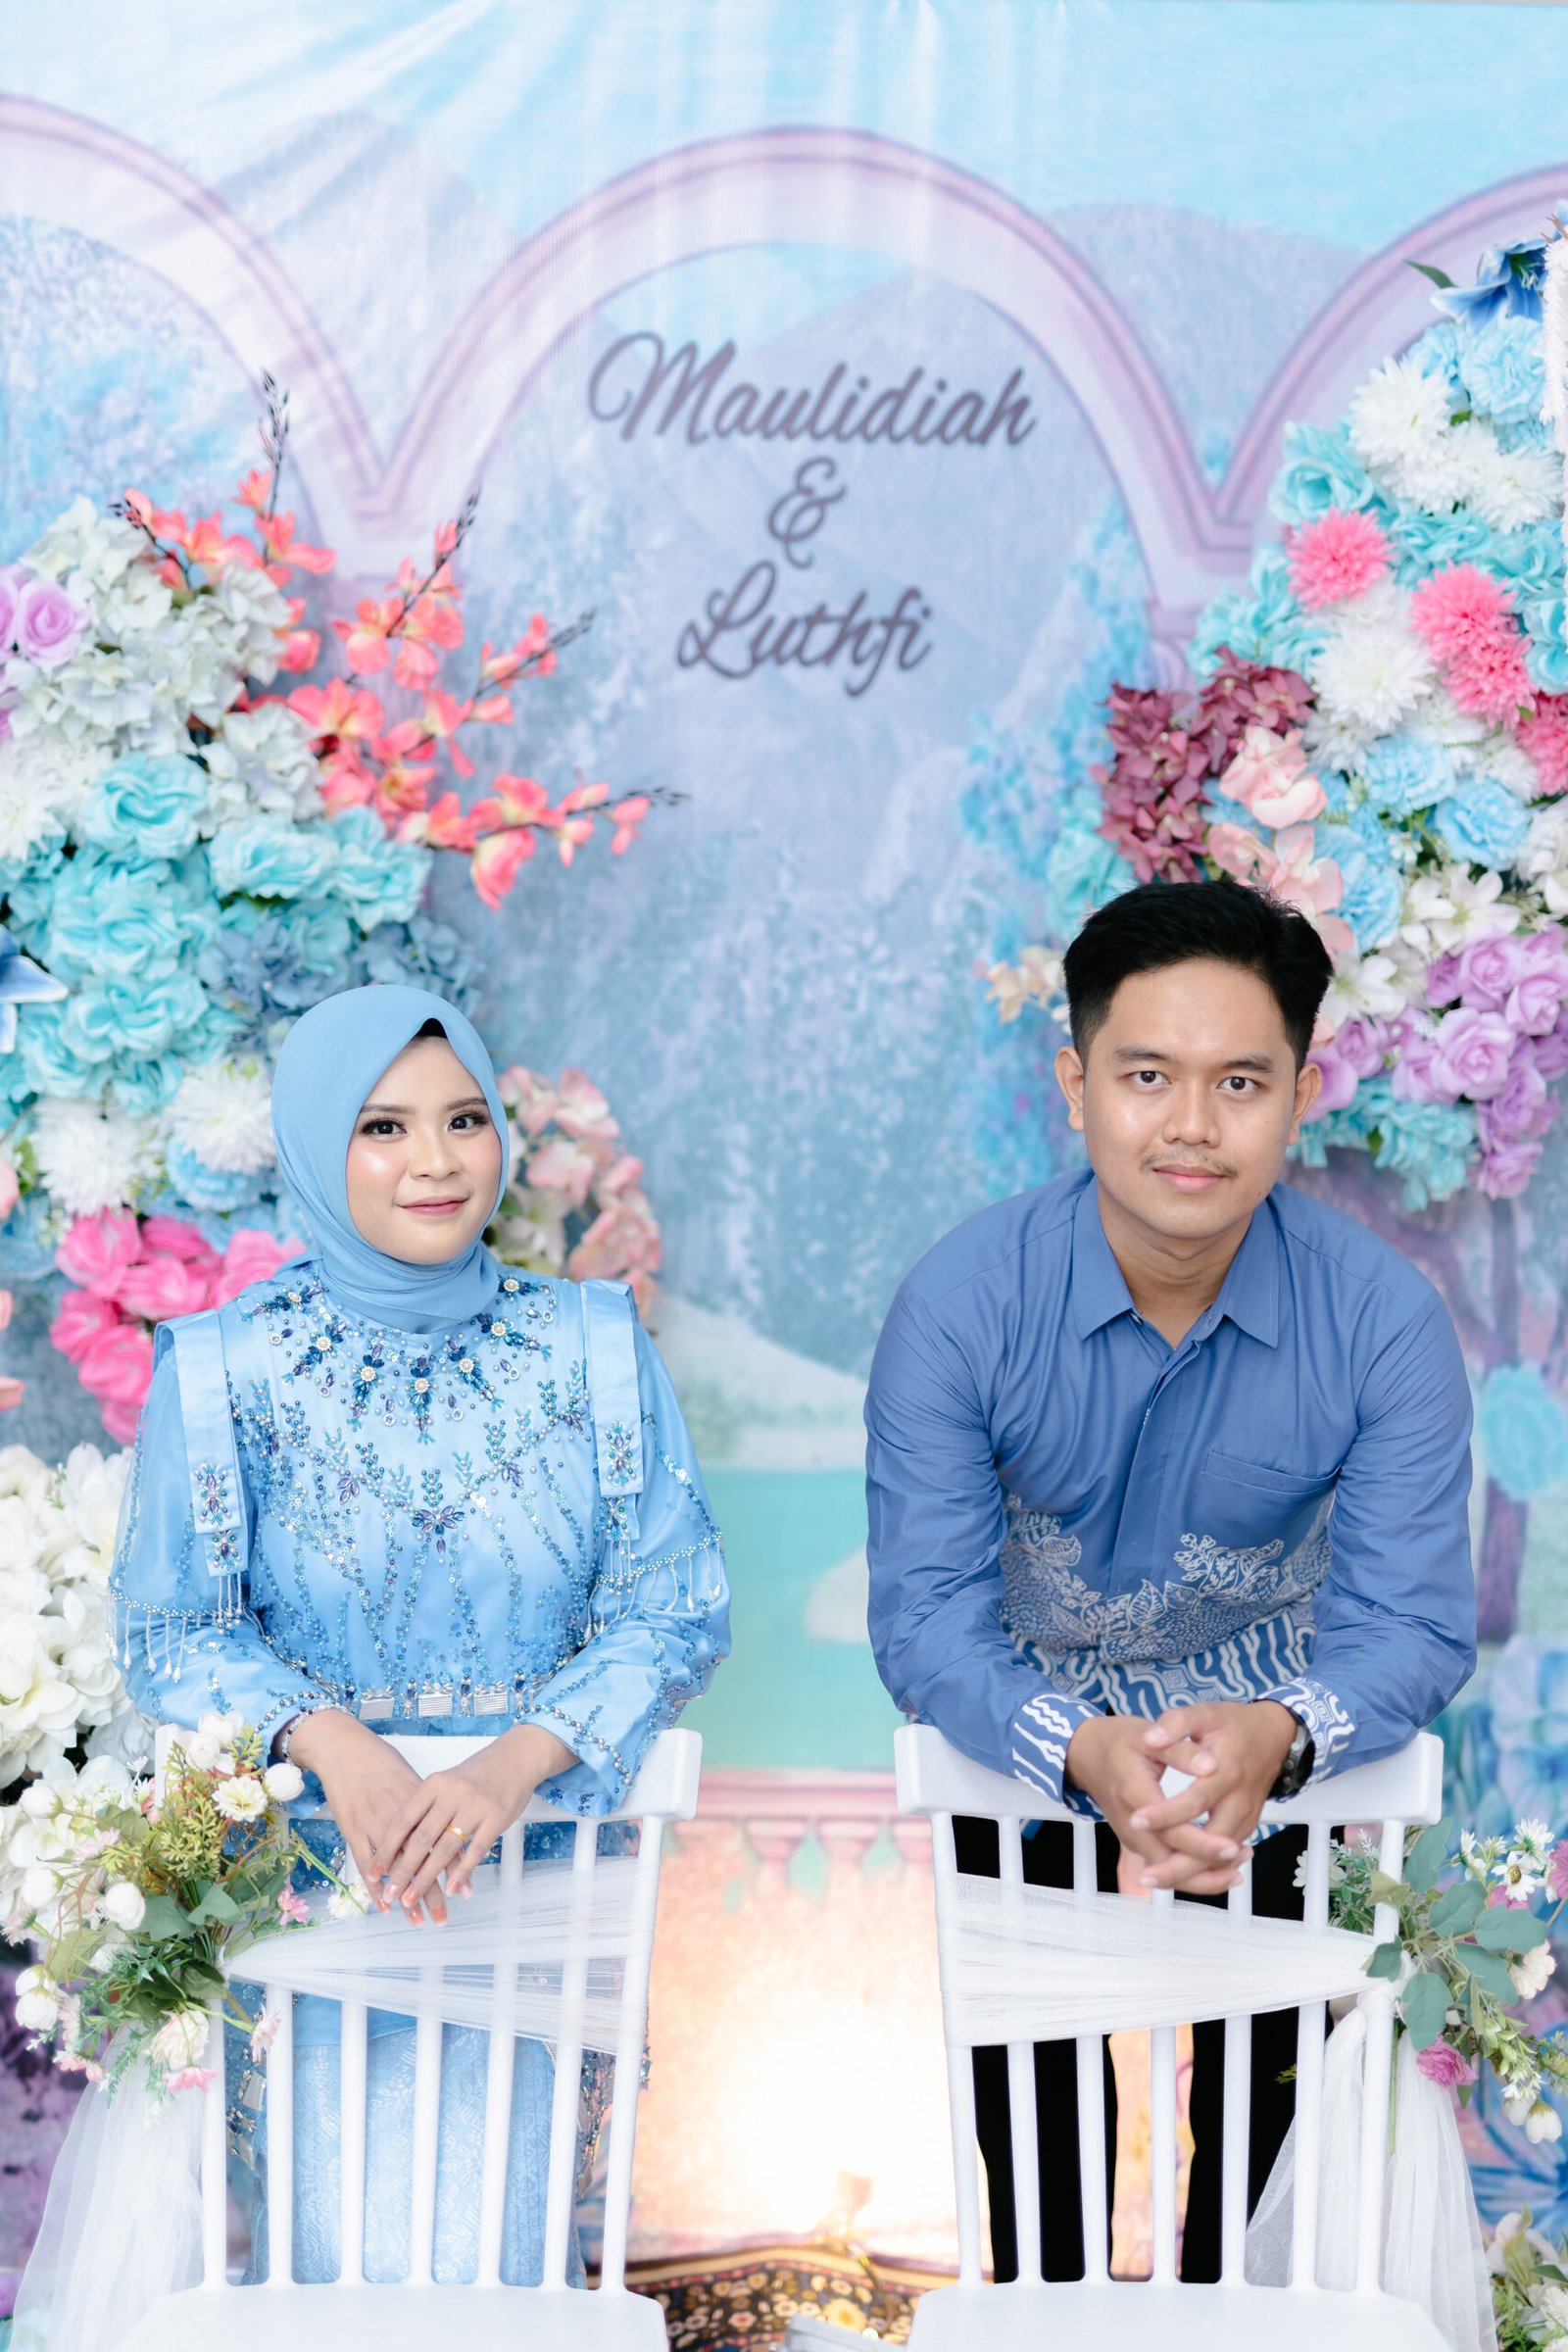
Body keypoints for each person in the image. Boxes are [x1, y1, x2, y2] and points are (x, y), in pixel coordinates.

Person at [864, 878, 1476, 2281]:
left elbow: (1412, 1621)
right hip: (1030, 1752)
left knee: (1265, 2165)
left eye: (1239, 1082)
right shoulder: (962, 1307)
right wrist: (1081, 1752)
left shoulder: (1381, 1321)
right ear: (1074, 1083)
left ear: (1301, 1096)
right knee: (1037, 2163)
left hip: (1268, 1760)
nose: (1192, 1124)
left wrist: (1279, 1736)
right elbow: (928, 1621)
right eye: (1147, 1076)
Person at [107, 981, 730, 2284]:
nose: (437, 1161)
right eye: (383, 1128)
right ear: (312, 1143)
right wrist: (333, 1742)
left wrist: (511, 1765)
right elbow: (170, 1633)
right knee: (336, 2264)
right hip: (312, 1900)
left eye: (465, 1119)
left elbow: (674, 1603)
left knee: (506, 2262)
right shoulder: (225, 1368)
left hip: (540, 1884)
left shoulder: (590, 1347)